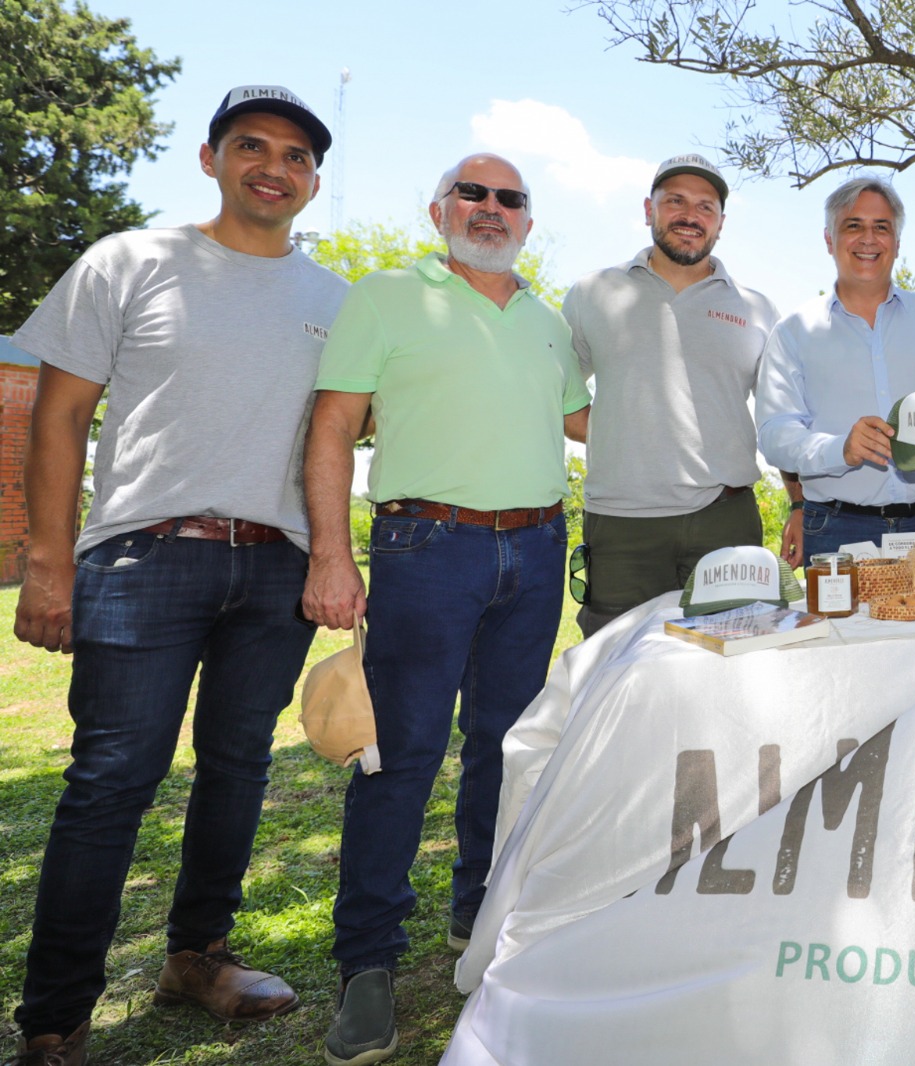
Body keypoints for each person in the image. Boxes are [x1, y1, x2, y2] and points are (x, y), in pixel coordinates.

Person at [7, 85, 346, 1066]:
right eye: (252, 146)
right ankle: (54, 1018)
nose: (273, 167)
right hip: (140, 556)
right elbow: (59, 417)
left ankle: (197, 956)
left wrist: (334, 554)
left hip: (273, 568)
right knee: (110, 782)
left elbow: (342, 435)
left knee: (237, 770)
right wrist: (46, 565)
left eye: (294, 156)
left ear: (313, 182)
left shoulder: (334, 300)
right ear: (211, 159)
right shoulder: (130, 260)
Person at [300, 153, 591, 1065]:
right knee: (403, 753)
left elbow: (595, 422)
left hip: (539, 549)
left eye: (511, 199)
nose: (492, 209)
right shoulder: (384, 296)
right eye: (474, 192)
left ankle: (482, 915)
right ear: (439, 209)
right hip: (426, 549)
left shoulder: (550, 323)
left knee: (507, 748)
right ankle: (367, 964)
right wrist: (332, 554)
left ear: (530, 223)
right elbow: (335, 428)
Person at [562, 153, 790, 636]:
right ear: (649, 209)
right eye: (676, 202)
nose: (690, 215)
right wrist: (622, 436)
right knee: (616, 667)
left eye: (705, 206)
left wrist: (802, 503)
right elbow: (557, 397)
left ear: (721, 223)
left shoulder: (756, 309)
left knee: (734, 659)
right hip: (623, 522)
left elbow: (778, 415)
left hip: (726, 521)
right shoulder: (592, 294)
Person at [755, 176, 915, 557]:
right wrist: (841, 449)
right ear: (828, 239)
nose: (868, 239)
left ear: (897, 242)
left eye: (881, 227)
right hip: (836, 529)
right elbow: (775, 434)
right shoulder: (793, 332)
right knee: (840, 621)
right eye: (853, 225)